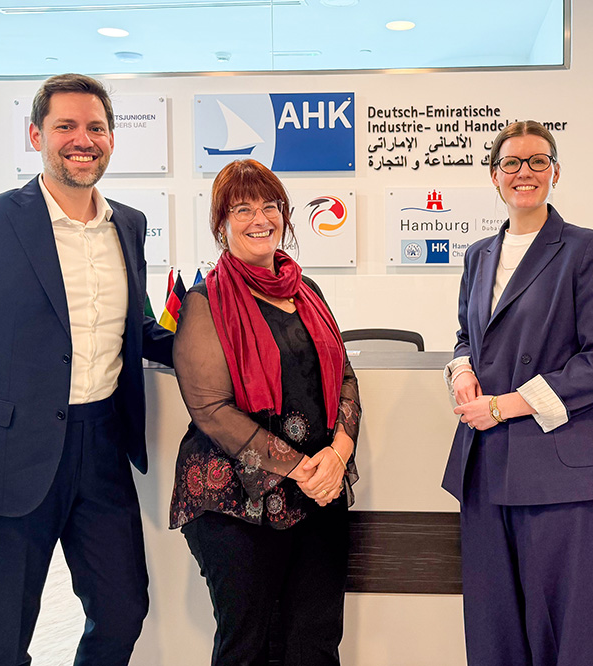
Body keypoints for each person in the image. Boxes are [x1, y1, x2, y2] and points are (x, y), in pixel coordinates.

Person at [0, 73, 174, 664]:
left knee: (124, 610)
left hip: (104, 449)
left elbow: (142, 329)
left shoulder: (127, 225)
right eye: (66, 127)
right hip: (12, 457)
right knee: (4, 636)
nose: (83, 139)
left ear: (111, 139)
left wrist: (224, 343)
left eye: (96, 127)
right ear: (36, 135)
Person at [442, 121, 593, 666]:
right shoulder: (479, 254)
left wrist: (504, 405)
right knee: (492, 634)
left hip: (560, 472)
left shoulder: (586, 250)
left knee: (561, 639)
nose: (525, 172)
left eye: (537, 161)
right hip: (485, 466)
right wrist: (460, 373)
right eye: (512, 163)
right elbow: (463, 336)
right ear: (494, 177)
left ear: (555, 171)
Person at [168, 159, 360, 666]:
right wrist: (302, 468)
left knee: (315, 639)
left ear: (286, 215)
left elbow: (343, 376)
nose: (260, 218)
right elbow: (210, 408)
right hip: (235, 497)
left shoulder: (308, 291)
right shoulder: (204, 302)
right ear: (221, 223)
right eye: (242, 208)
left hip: (320, 488)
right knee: (246, 644)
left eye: (270, 206)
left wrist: (338, 456)